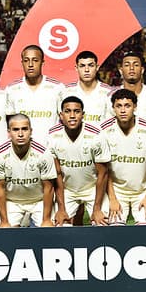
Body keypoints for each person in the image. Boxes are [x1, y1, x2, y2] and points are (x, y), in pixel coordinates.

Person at [47, 96, 112, 226]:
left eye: (76, 111)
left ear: (83, 115)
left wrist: (97, 208)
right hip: (67, 190)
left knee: (103, 224)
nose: (72, 115)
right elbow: (57, 174)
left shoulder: (96, 136)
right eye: (67, 111)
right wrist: (61, 208)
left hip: (92, 188)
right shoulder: (52, 136)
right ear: (61, 115)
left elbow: (103, 174)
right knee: (59, 226)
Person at [0, 114, 57, 227]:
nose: (20, 134)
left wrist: (46, 219)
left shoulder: (43, 153)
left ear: (31, 131)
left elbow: (49, 188)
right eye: (15, 130)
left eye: (24, 129)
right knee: (4, 232)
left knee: (48, 228)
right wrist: (4, 221)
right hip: (12, 201)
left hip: (39, 200)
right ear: (9, 132)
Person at [100, 89, 146, 225]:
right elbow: (104, 169)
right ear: (113, 108)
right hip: (117, 191)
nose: (123, 110)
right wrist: (112, 198)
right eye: (119, 106)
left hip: (143, 191)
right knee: (114, 229)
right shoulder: (104, 131)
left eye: (127, 106)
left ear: (135, 107)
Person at [4, 45, 65, 145]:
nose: (30, 64)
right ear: (22, 63)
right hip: (23, 149)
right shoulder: (12, 89)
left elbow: (64, 120)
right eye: (26, 60)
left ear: (42, 62)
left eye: (35, 60)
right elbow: (10, 124)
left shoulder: (57, 87)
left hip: (51, 148)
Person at [63, 50, 115, 125]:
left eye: (91, 65)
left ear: (97, 67)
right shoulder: (66, 91)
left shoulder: (109, 92)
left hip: (102, 136)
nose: (86, 70)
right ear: (76, 68)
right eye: (82, 66)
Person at [114, 51, 146, 123]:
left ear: (142, 70)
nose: (131, 68)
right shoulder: (110, 97)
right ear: (121, 71)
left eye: (136, 65)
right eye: (127, 65)